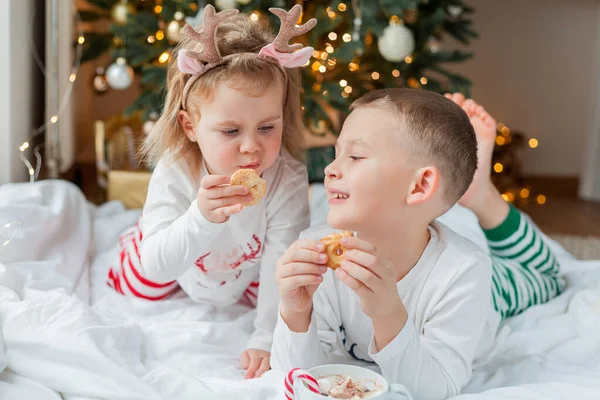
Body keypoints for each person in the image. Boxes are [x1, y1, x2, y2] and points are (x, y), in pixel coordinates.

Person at [271, 89, 565, 399]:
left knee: (548, 277)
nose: (330, 169)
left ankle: (482, 196)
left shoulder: (465, 272)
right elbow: (298, 378)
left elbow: (434, 389)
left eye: (355, 156)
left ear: (420, 185)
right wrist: (296, 313)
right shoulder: (318, 251)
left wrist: (388, 315)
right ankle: (474, 192)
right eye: (337, 153)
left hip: (492, 294)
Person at [106, 4, 316, 379]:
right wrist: (201, 218)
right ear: (190, 126)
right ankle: (134, 232)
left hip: (244, 269)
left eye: (267, 127)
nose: (251, 146)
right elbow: (156, 266)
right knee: (136, 286)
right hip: (171, 258)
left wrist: (266, 338)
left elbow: (279, 263)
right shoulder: (176, 170)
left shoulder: (288, 179)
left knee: (290, 286)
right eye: (231, 131)